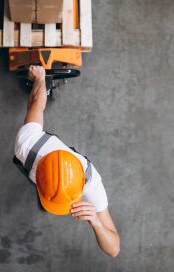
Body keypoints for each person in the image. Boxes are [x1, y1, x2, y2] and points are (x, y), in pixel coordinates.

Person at [13, 65, 120, 257]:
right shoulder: (27, 145)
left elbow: (114, 249)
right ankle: (46, 195)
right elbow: (37, 102)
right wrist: (40, 79)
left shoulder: (92, 186)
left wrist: (96, 221)